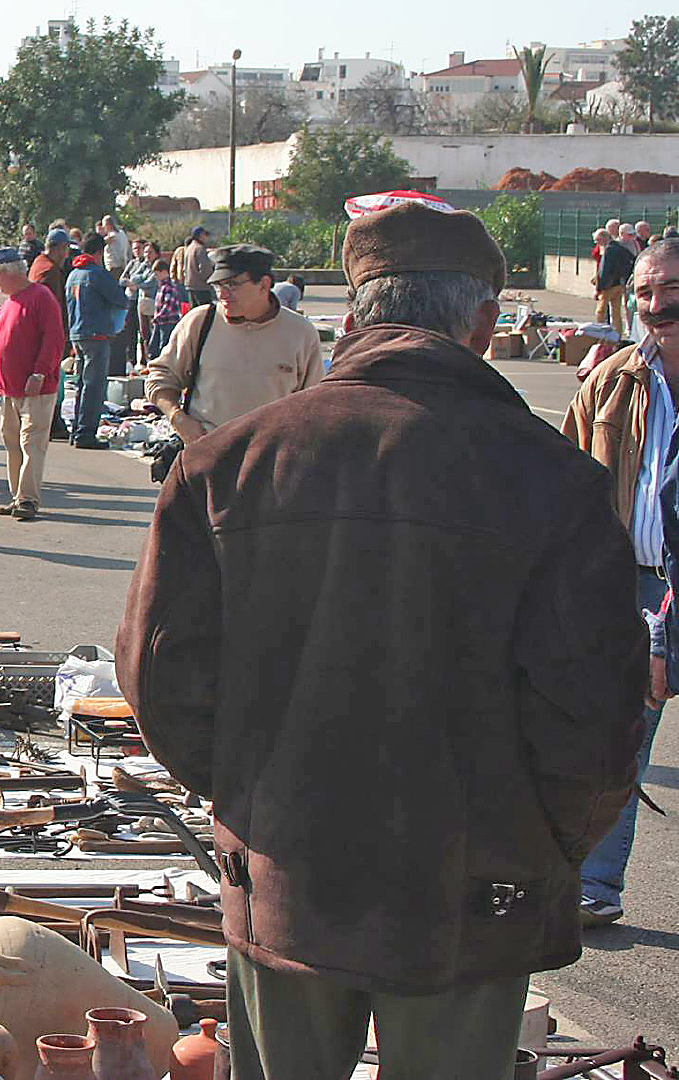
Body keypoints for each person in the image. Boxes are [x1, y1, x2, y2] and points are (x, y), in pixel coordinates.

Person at [116, 199, 645, 1080]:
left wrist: (256, 803)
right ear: (484, 323)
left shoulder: (228, 464)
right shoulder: (551, 480)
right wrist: (544, 846)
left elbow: (161, 678)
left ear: (353, 320)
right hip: (475, 886)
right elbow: (596, 714)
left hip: (292, 869)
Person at [560, 236, 679, 928]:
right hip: (627, 588)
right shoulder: (612, 380)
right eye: (645, 293)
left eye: (671, 290)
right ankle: (595, 887)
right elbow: (571, 486)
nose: (658, 306)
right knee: (614, 736)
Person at [148, 244, 323, 445]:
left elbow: (315, 404)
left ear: (264, 285)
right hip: (207, 457)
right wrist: (177, 418)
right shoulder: (200, 322)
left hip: (273, 462)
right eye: (218, 286)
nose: (223, 294)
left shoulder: (300, 333)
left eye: (232, 285)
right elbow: (159, 378)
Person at [0, 248, 65, 522]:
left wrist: (40, 372)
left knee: (31, 443)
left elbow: (54, 339)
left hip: (36, 388)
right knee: (12, 442)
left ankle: (28, 499)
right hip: (10, 388)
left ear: (8, 273)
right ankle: (18, 495)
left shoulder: (41, 297)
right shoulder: (9, 302)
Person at [64, 232, 130, 450]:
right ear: (99, 252)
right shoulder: (96, 274)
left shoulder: (73, 274)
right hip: (97, 334)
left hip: (78, 333)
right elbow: (119, 299)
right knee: (94, 386)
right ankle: (86, 434)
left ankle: (77, 430)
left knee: (82, 385)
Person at [596, 228, 635, 330]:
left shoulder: (609, 249)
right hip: (619, 284)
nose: (597, 243)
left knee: (601, 311)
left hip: (608, 285)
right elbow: (632, 260)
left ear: (604, 238)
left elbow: (605, 269)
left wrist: (600, 288)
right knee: (616, 312)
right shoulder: (620, 248)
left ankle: (599, 332)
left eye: (598, 240)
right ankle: (617, 334)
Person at [147, 259, 182, 360]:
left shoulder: (169, 287)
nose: (156, 276)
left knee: (164, 345)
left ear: (164, 272)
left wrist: (157, 317)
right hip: (160, 322)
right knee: (154, 346)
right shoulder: (161, 287)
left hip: (168, 321)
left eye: (157, 274)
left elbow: (168, 306)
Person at [172, 226, 214, 307]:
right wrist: (210, 280)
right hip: (201, 287)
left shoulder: (189, 248)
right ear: (201, 235)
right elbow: (204, 268)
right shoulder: (200, 248)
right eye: (205, 235)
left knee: (194, 312)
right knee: (206, 312)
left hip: (190, 286)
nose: (206, 238)